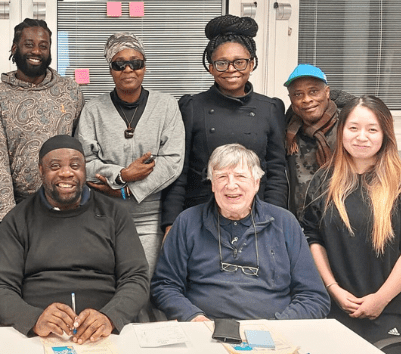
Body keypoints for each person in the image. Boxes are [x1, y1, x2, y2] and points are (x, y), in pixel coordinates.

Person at [0, 135, 149, 344]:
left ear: (84, 170)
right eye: (55, 166)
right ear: (41, 171)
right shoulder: (17, 220)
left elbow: (136, 278)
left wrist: (110, 317)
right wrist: (34, 319)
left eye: (75, 165)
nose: (66, 172)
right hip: (39, 336)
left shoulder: (114, 215)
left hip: (105, 334)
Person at [301, 96, 401, 343]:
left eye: (372, 129)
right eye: (353, 128)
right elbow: (312, 238)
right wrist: (333, 290)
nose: (361, 137)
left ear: (386, 134)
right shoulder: (323, 181)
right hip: (336, 307)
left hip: (394, 309)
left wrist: (381, 298)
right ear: (341, 132)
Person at [152, 144, 329, 321]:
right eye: (221, 176)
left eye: (240, 176)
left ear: (256, 183)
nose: (231, 185)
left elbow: (314, 297)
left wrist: (277, 326)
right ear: (212, 184)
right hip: (205, 331)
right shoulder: (187, 221)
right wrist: (193, 316)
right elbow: (164, 285)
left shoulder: (285, 223)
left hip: (274, 334)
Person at [75, 32, 184, 322]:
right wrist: (121, 175)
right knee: (108, 288)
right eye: (119, 64)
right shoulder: (93, 110)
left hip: (149, 216)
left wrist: (128, 190)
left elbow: (172, 160)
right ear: (109, 69)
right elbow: (84, 161)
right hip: (102, 216)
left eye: (135, 63)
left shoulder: (166, 106)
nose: (128, 70)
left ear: (145, 66)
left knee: (144, 288)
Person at [161, 15, 287, 233]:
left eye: (239, 62)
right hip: (200, 214)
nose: (231, 69)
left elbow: (276, 171)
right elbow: (178, 171)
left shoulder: (270, 108)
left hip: (257, 215)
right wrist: (171, 223)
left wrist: (274, 218)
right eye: (222, 63)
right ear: (210, 67)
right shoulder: (192, 107)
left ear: (252, 63)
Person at [0, 18, 85, 222]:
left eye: (43, 46)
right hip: (21, 208)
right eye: (29, 44)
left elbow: (82, 148)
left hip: (68, 205)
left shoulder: (70, 91)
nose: (36, 51)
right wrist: (8, 219)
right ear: (14, 47)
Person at [283, 64, 356, 218]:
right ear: (291, 100)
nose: (307, 100)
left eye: (313, 91)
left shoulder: (349, 127)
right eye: (298, 94)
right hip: (301, 223)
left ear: (327, 92)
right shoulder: (286, 132)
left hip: (345, 221)